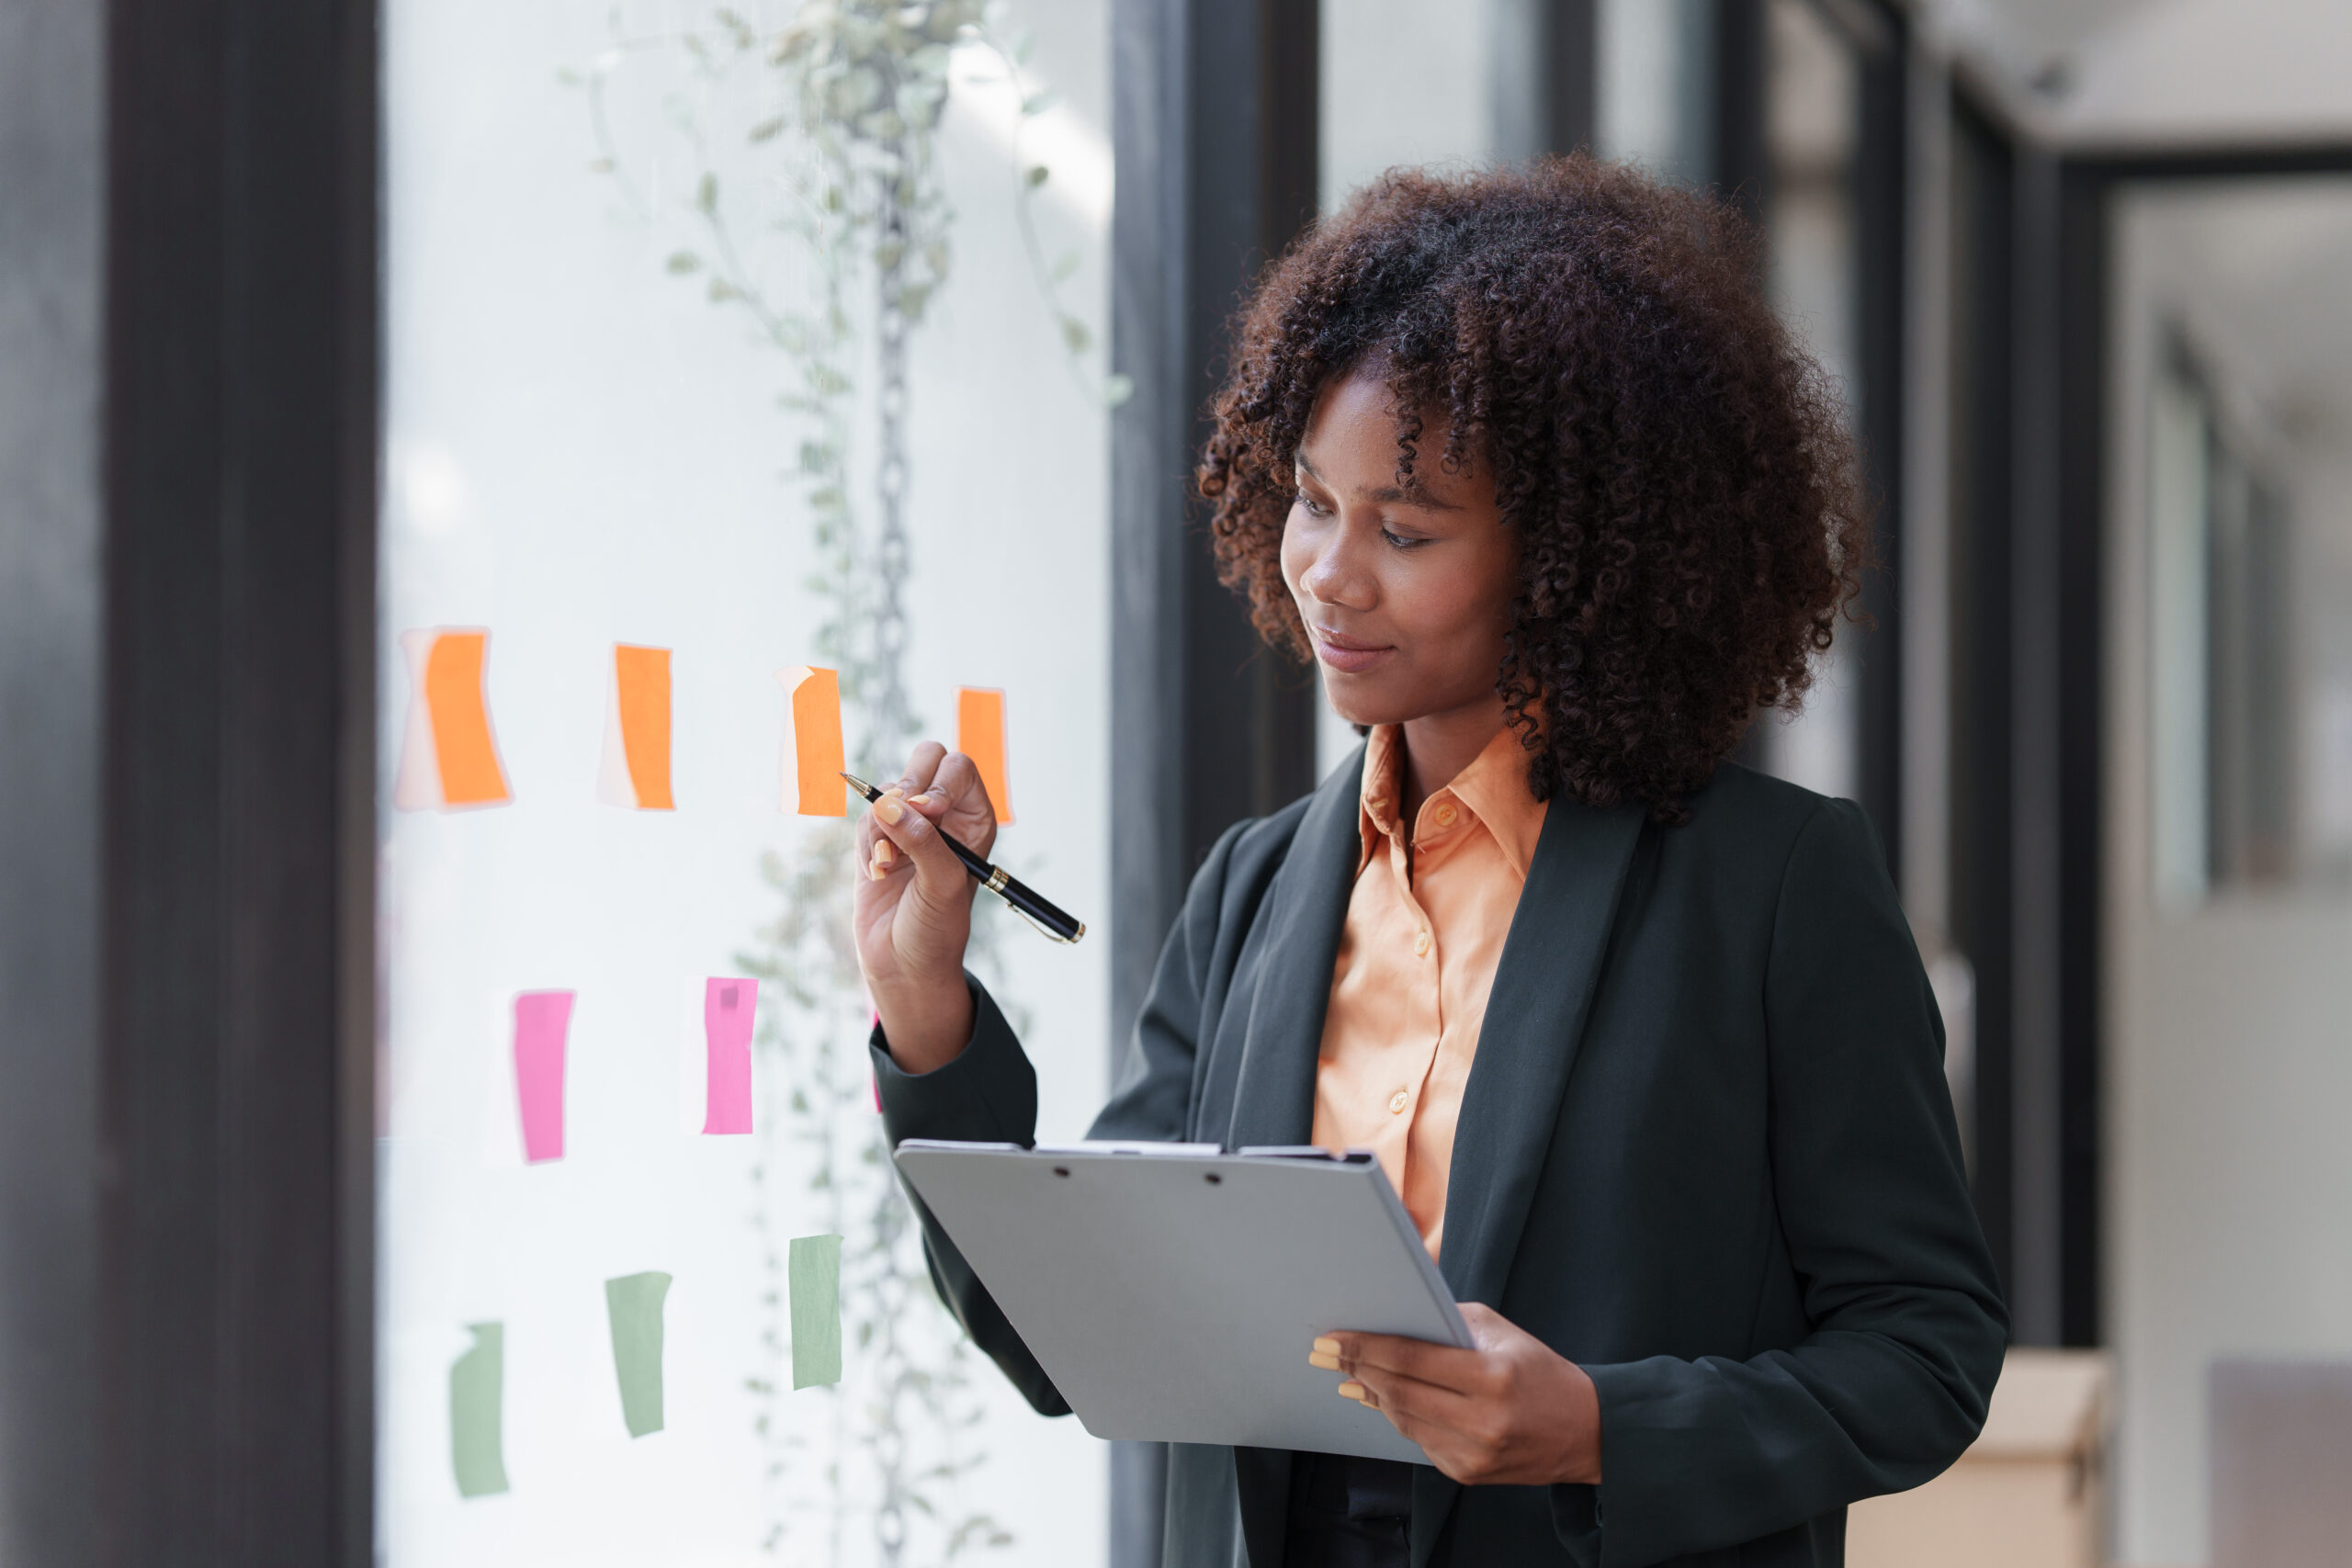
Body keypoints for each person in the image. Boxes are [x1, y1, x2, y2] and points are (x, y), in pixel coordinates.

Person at [850, 155, 2006, 1568]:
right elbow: (1079, 1335)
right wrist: (929, 1011)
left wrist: (1599, 1425)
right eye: (1309, 502)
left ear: (1575, 556)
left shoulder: (1770, 887)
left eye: (1403, 529)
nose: (1331, 571)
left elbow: (1927, 1351)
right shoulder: (1257, 891)